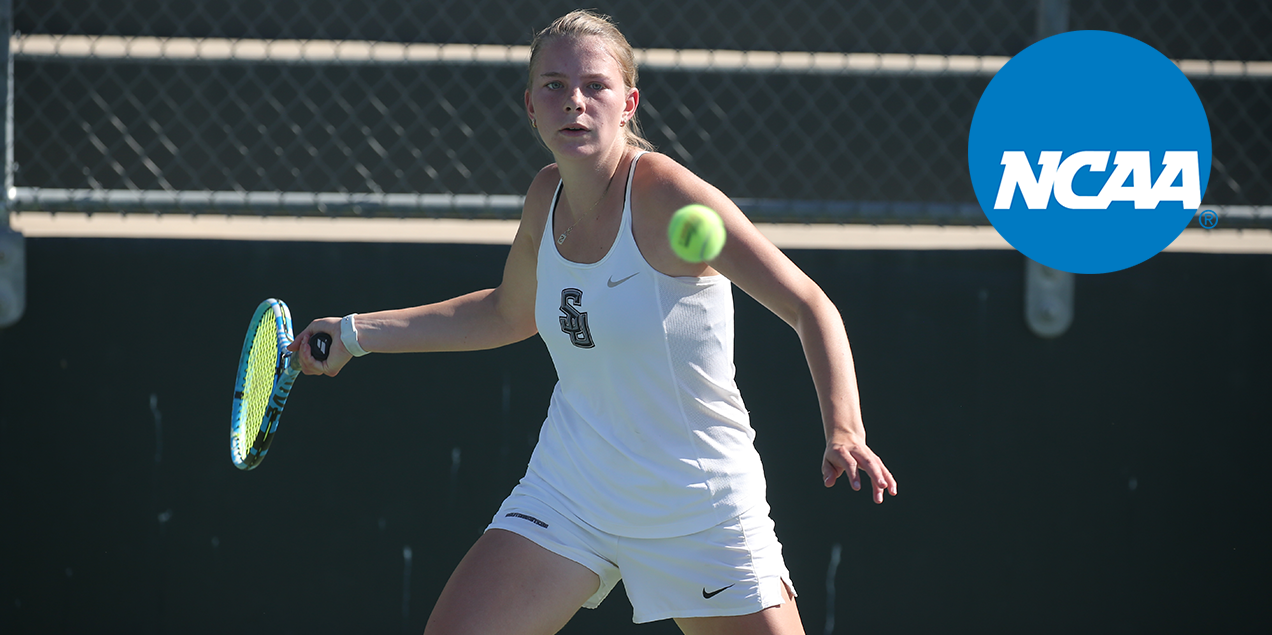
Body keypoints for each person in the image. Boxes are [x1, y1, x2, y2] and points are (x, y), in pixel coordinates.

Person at [289, 9, 896, 635]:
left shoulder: (669, 198)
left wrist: (844, 431)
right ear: (530, 105)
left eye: (594, 86)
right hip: (573, 492)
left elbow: (808, 303)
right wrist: (356, 334)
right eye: (553, 85)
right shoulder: (544, 195)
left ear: (628, 101)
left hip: (697, 508)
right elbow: (507, 311)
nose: (573, 101)